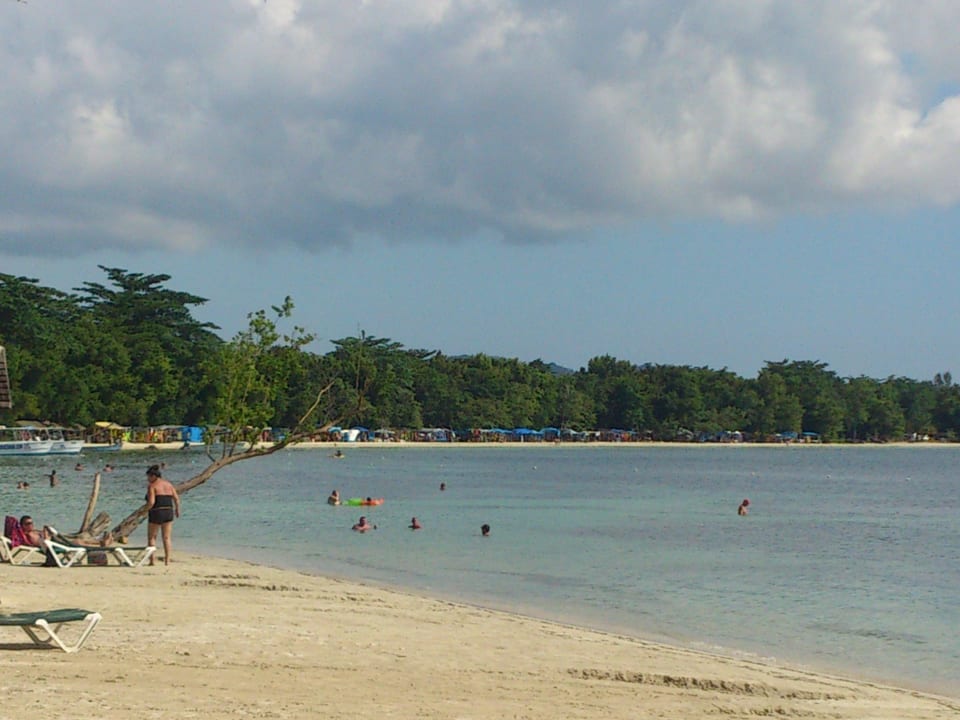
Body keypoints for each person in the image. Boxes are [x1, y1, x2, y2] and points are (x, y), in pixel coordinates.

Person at [144, 464, 181, 566]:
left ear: (153, 476)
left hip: (157, 511)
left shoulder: (152, 486)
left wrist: (144, 511)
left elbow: (151, 502)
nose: (147, 479)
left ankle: (152, 560)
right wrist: (177, 510)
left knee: (152, 537)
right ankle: (167, 560)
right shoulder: (169, 484)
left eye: (148, 477)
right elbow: (176, 498)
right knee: (167, 537)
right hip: (169, 511)